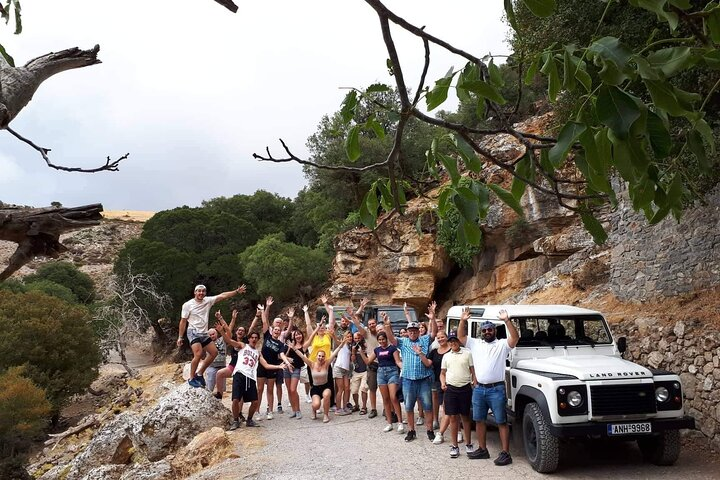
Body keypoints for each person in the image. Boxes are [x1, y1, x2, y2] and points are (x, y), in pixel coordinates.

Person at [458, 307, 519, 466]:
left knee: (501, 421)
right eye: (484, 330)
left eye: (490, 329)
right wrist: (463, 320)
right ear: (481, 332)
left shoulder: (502, 344)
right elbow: (460, 336)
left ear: (495, 331)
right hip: (479, 389)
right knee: (479, 420)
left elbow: (515, 338)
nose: (487, 332)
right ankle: (482, 449)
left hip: (496, 389)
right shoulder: (475, 343)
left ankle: (506, 453)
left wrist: (507, 320)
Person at [214, 312, 283, 429]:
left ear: (258, 340)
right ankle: (235, 420)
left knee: (255, 402)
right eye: (252, 337)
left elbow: (266, 365)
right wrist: (221, 331)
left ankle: (249, 420)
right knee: (235, 399)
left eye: (256, 338)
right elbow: (230, 341)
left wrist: (279, 367)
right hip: (239, 374)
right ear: (249, 339)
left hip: (250, 377)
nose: (254, 339)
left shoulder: (257, 353)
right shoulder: (242, 345)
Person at [177, 284, 246, 388]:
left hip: (204, 333)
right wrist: (180, 337)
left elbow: (222, 295)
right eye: (199, 291)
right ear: (195, 292)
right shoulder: (187, 305)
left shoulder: (208, 301)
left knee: (214, 352)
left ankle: (199, 374)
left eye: (203, 291)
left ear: (205, 293)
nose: (201, 293)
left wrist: (236, 291)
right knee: (199, 354)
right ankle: (191, 378)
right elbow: (183, 321)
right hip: (193, 331)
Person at [387, 302, 437, 442]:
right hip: (408, 379)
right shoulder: (403, 342)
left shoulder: (424, 339)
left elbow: (433, 333)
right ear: (407, 332)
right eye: (410, 331)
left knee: (427, 406)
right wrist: (387, 326)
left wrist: (432, 318)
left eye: (415, 330)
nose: (413, 332)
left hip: (423, 379)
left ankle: (429, 430)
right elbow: (391, 339)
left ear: (418, 331)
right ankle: (411, 430)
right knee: (409, 407)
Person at [360, 313, 404, 433]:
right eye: (379, 340)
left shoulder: (392, 349)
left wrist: (403, 368)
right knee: (385, 399)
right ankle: (389, 423)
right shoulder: (377, 350)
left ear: (386, 339)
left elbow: (398, 361)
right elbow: (368, 361)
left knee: (393, 397)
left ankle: (400, 422)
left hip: (392, 372)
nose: (381, 341)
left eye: (383, 339)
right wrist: (361, 353)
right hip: (381, 374)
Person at [288, 337, 345, 423]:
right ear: (316, 356)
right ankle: (313, 410)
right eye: (319, 356)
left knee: (326, 395)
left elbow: (335, 353)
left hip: (326, 386)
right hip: (315, 388)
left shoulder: (326, 363)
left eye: (322, 356)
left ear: (324, 357)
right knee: (316, 405)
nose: (321, 358)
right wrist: (294, 348)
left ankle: (326, 415)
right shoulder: (311, 364)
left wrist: (341, 345)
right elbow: (302, 356)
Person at [440, 330, 475, 458]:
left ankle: (469, 444)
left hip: (465, 388)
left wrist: (474, 381)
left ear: (459, 341)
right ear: (448, 343)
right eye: (451, 341)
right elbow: (443, 373)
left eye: (455, 340)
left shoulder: (467, 353)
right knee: (453, 418)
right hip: (451, 389)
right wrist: (443, 383)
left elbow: (472, 370)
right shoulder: (446, 356)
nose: (453, 343)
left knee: (465, 417)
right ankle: (455, 446)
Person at [212, 308, 260, 400]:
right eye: (239, 330)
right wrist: (224, 318)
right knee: (219, 374)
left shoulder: (246, 341)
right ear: (236, 332)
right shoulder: (232, 339)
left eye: (242, 330)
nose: (240, 331)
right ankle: (219, 395)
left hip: (243, 368)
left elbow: (251, 327)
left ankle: (239, 411)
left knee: (239, 394)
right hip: (233, 366)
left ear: (245, 334)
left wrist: (257, 316)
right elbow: (228, 328)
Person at [257, 296, 289, 421]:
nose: (276, 331)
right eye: (274, 329)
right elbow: (265, 322)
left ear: (280, 331)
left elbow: (281, 355)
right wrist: (266, 307)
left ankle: (270, 410)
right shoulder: (267, 336)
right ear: (272, 330)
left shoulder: (281, 344)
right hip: (261, 365)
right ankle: (258, 411)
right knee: (259, 389)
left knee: (270, 389)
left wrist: (286, 362)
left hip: (272, 367)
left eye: (278, 330)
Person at [429, 330, 451, 443]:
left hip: (452, 381)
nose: (441, 339)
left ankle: (454, 432)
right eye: (439, 338)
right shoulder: (434, 352)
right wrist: (420, 354)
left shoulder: (452, 349)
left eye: (442, 337)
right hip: (438, 381)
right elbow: (428, 363)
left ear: (447, 337)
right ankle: (443, 427)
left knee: (448, 407)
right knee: (442, 405)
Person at [282, 325, 307, 419]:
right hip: (286, 368)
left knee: (293, 389)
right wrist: (289, 347)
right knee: (289, 390)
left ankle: (298, 410)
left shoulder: (303, 346)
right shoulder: (289, 344)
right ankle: (293, 410)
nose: (298, 336)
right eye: (296, 335)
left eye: (299, 334)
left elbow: (312, 335)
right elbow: (282, 355)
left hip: (296, 369)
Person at [333, 330, 353, 415]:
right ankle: (338, 408)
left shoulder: (350, 346)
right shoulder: (343, 344)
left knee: (347, 388)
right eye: (347, 336)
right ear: (344, 337)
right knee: (340, 389)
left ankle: (344, 407)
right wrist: (333, 334)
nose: (349, 338)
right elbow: (336, 341)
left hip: (346, 369)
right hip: (339, 367)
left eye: (350, 336)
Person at [349, 331, 369, 414]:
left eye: (358, 338)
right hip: (356, 370)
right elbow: (352, 360)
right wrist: (353, 352)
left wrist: (363, 349)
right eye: (355, 338)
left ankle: (364, 407)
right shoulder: (352, 346)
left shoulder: (365, 345)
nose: (357, 340)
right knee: (354, 390)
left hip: (365, 370)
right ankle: (356, 405)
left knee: (364, 389)